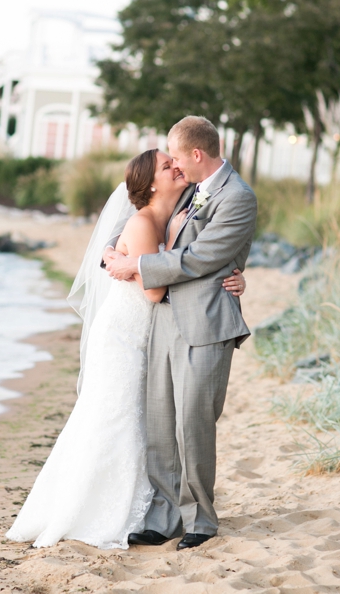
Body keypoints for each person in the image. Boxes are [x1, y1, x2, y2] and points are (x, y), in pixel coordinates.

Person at [5, 148, 246, 550]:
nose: (176, 167)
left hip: (152, 332)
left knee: (142, 422)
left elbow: (209, 251)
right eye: (167, 166)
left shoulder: (191, 197)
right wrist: (122, 257)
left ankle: (152, 509)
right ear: (152, 182)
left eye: (176, 161)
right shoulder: (145, 218)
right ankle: (91, 509)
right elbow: (152, 290)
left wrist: (235, 277)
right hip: (125, 333)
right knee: (115, 418)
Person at [105, 116, 257, 551]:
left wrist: (135, 266)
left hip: (206, 322)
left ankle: (201, 521)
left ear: (195, 154)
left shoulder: (237, 198)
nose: (171, 165)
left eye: (175, 156)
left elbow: (199, 258)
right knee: (160, 423)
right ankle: (164, 516)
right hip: (163, 320)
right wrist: (111, 248)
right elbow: (145, 215)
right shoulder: (189, 187)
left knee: (193, 424)